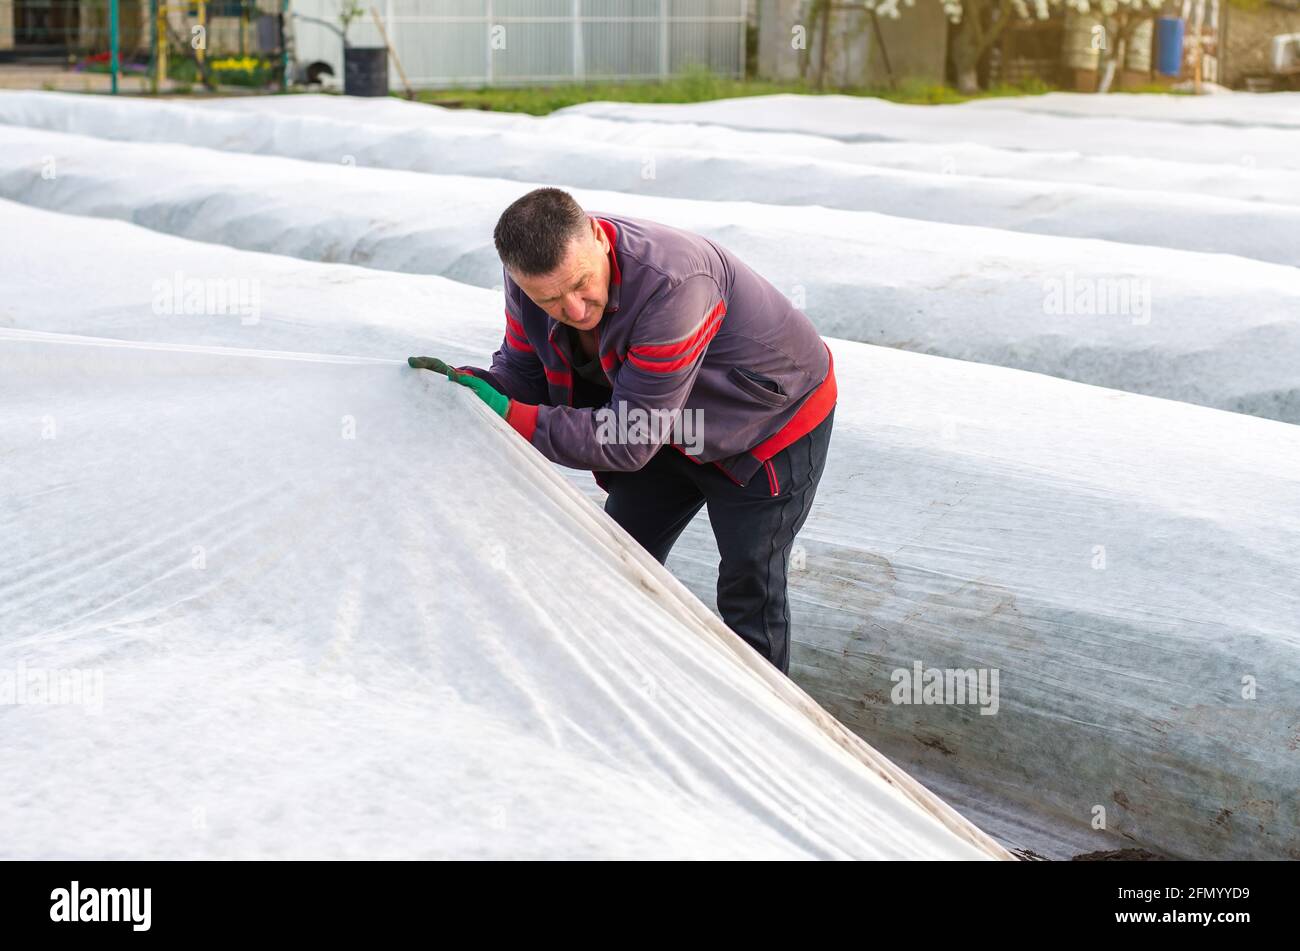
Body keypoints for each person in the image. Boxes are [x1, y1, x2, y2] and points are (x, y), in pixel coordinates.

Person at [410, 188, 835, 674]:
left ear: (597, 236)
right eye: (548, 298)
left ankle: (769, 729)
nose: (572, 309)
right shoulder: (528, 279)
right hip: (662, 421)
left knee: (748, 584)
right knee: (618, 555)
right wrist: (480, 390)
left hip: (763, 423)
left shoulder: (675, 284)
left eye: (581, 284)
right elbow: (525, 372)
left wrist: (512, 416)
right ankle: (622, 686)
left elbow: (630, 439)